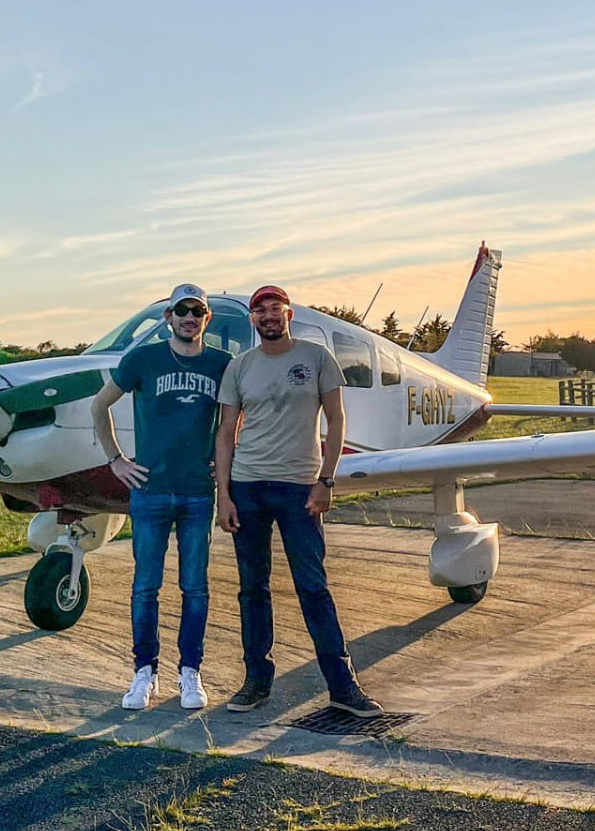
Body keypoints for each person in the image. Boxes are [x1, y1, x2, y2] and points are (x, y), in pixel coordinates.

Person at [214, 284, 381, 717]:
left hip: (299, 489)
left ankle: (343, 687)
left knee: (313, 586)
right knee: (252, 589)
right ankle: (256, 681)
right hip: (248, 487)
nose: (268, 316)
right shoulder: (239, 367)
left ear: (289, 315)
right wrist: (224, 495)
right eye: (260, 311)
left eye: (276, 308)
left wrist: (326, 481)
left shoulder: (315, 358)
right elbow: (226, 432)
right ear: (253, 320)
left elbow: (336, 419)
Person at [90, 283, 231, 712]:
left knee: (195, 588)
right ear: (169, 316)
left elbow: (232, 422)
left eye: (198, 311)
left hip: (196, 494)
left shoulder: (223, 364)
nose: (190, 317)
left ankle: (191, 672)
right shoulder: (143, 358)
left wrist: (222, 465)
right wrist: (116, 460)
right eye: (181, 310)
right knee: (145, 587)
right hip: (149, 492)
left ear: (207, 318)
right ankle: (143, 672)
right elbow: (99, 407)